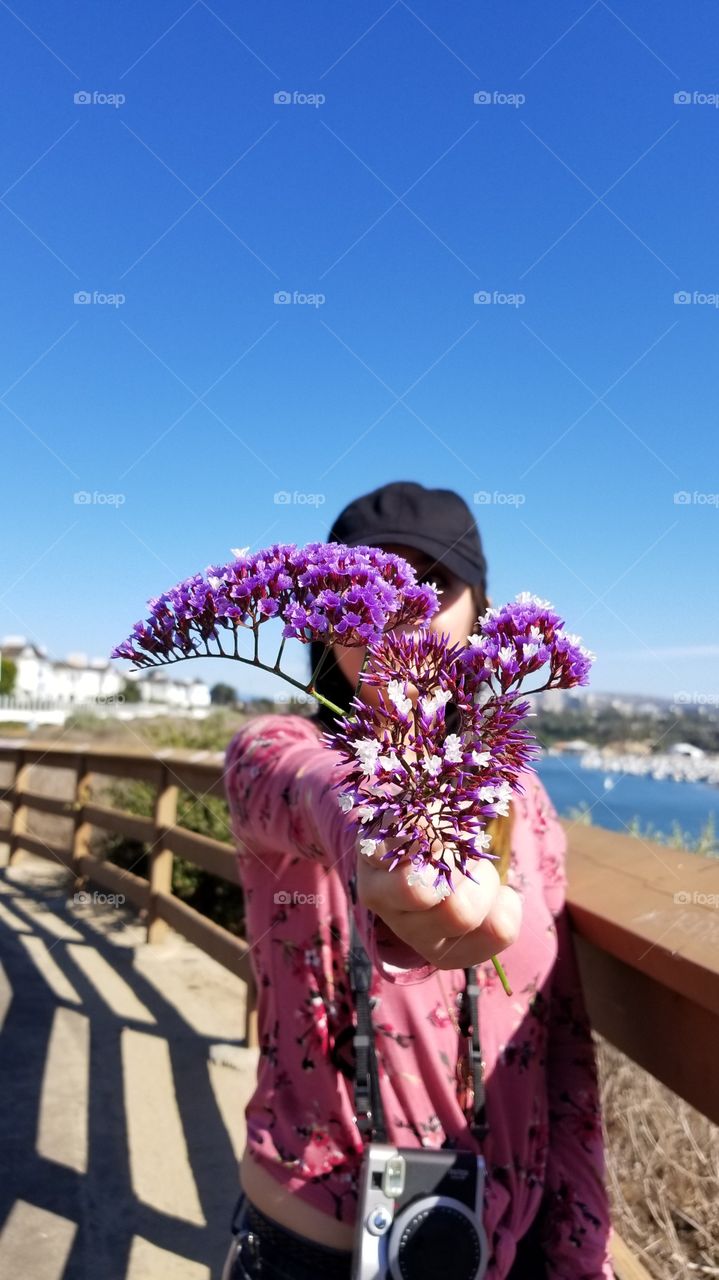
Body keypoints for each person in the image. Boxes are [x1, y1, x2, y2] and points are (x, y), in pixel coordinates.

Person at [220, 481, 615, 1280]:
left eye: (431, 585)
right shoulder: (279, 752)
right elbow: (301, 784)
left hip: (506, 1249)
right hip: (311, 1248)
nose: (398, 612)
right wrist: (370, 818)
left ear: (481, 612)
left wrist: (581, 1254)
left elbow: (560, 1043)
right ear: (321, 620)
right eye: (364, 586)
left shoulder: (525, 804)